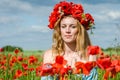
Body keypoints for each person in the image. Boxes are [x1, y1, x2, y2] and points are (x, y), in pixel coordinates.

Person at [41, 1, 98, 80]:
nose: (67, 30)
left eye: (73, 27)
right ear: (59, 30)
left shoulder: (89, 56)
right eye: (63, 26)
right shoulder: (50, 55)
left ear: (79, 30)